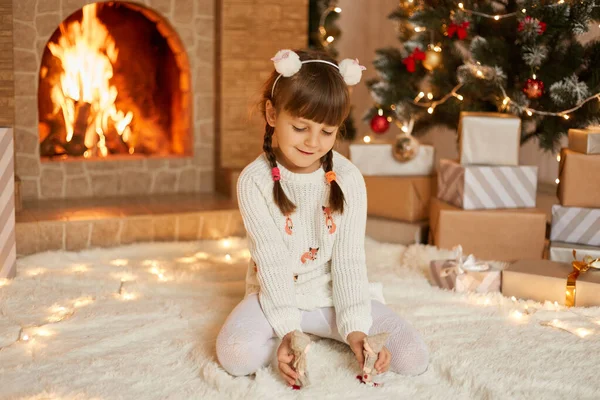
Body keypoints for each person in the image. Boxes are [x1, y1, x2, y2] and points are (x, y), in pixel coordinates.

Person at [216, 49, 428, 386]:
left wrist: (356, 329)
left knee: (412, 357)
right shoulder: (253, 182)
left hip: (333, 295)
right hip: (277, 295)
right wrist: (287, 331)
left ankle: (336, 334)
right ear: (272, 114)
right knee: (235, 355)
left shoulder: (348, 178)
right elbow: (271, 263)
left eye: (328, 132)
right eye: (300, 127)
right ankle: (288, 342)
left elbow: (348, 260)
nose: (314, 142)